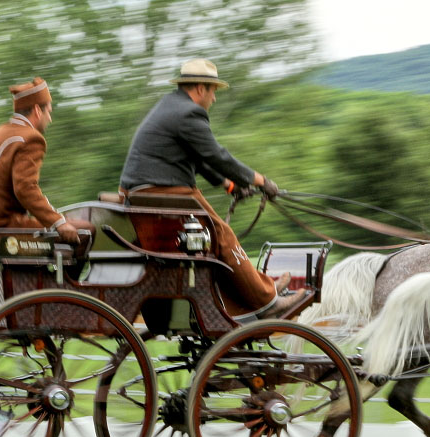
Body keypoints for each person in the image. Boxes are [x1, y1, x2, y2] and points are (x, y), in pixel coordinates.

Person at [119, 58, 304, 320]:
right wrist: (260, 180)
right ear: (201, 89)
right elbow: (217, 156)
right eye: (214, 91)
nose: (214, 99)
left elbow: (199, 159)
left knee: (216, 238)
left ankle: (256, 292)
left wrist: (229, 185)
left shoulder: (171, 106)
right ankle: (267, 301)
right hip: (164, 192)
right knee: (222, 235)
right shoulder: (189, 113)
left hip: (144, 191)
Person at [0, 77, 93, 250]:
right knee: (85, 230)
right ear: (37, 110)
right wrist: (58, 222)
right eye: (48, 112)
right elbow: (25, 188)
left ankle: (52, 275)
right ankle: (67, 278)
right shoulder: (30, 138)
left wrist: (52, 217)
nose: (50, 119)